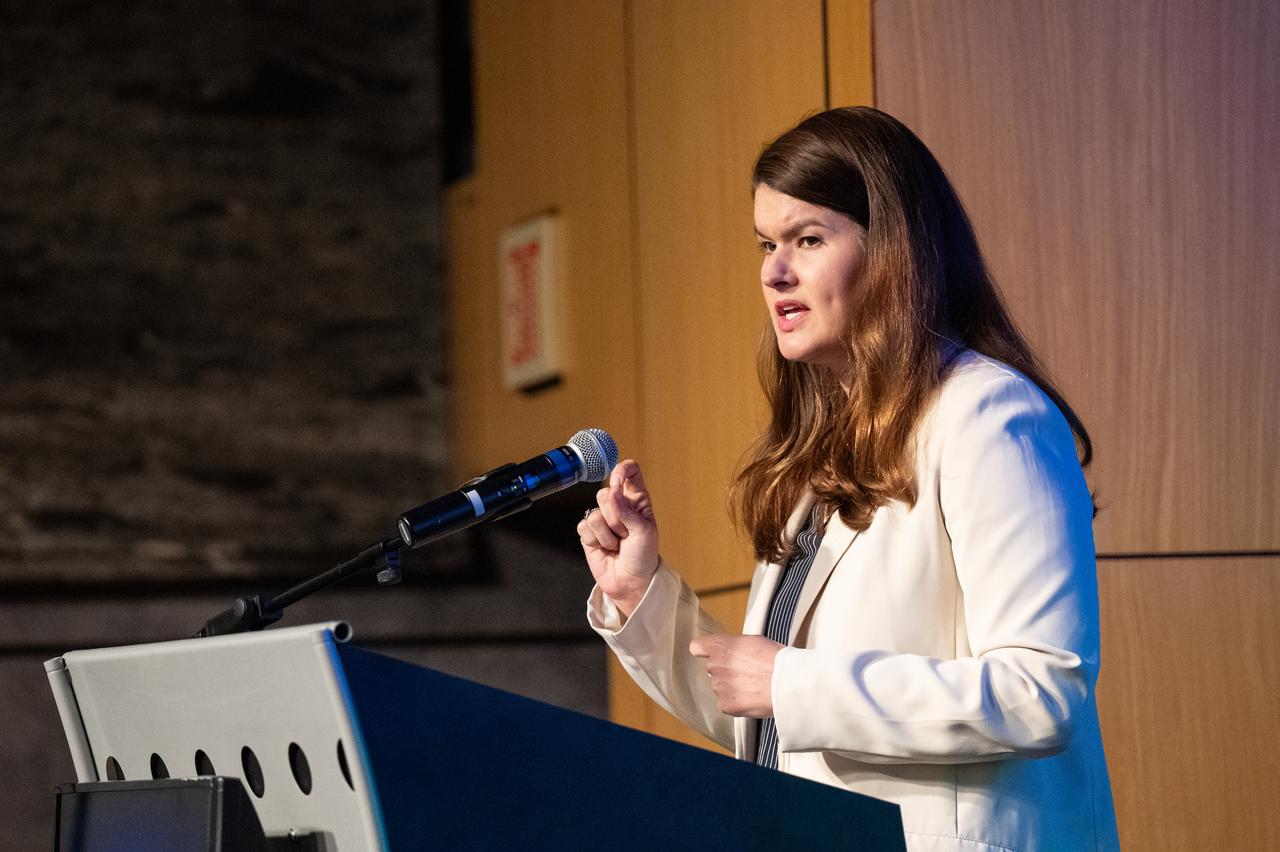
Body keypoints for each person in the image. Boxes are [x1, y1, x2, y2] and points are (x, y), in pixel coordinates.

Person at [577, 107, 1119, 852]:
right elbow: (775, 721)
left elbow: (1041, 691)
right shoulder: (823, 455)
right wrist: (641, 595)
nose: (774, 271)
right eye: (767, 243)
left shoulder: (987, 414)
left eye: (807, 239)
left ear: (894, 251)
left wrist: (791, 683)